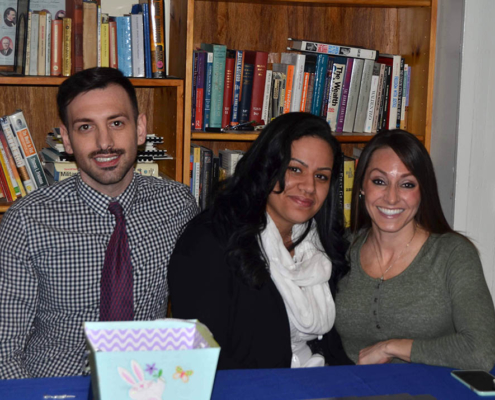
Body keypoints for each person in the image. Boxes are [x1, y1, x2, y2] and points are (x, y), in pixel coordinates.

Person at [0, 67, 198, 379]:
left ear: (140, 128)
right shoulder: (26, 222)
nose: (104, 143)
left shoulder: (177, 204)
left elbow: (200, 309)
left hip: (147, 384)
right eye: (85, 127)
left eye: (116, 123)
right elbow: (4, 350)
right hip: (57, 387)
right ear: (66, 138)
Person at [169, 112, 352, 369]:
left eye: (321, 176)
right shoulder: (209, 241)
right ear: (266, 167)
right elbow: (203, 361)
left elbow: (332, 347)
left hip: (319, 381)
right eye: (295, 169)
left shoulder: (321, 242)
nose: (309, 186)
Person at [335, 129, 495, 371]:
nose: (391, 198)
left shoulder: (453, 255)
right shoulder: (340, 249)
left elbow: (482, 351)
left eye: (407, 184)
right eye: (379, 181)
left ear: (423, 192)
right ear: (361, 187)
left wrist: (391, 347)